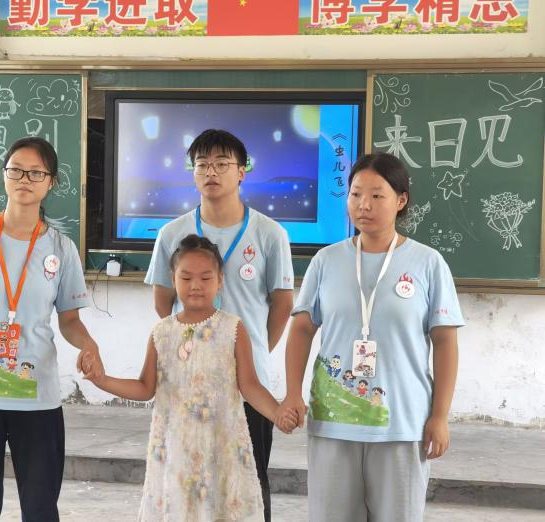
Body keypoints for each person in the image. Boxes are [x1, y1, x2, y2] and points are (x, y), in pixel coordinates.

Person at [279, 152, 463, 522]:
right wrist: (292, 392)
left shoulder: (428, 263)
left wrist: (440, 415)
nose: (364, 205)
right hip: (333, 422)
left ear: (401, 200)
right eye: (356, 194)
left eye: (377, 195)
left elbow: (445, 342)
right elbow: (301, 329)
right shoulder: (326, 260)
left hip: (403, 423)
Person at [0, 136, 103, 521]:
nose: (25, 179)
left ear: (51, 182)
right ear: (4, 175)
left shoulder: (61, 248)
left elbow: (70, 320)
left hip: (38, 400)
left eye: (36, 172)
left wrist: (88, 344)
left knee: (41, 509)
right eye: (16, 170)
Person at [86, 234, 297, 520]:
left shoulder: (233, 329)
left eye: (205, 277)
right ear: (173, 280)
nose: (195, 285)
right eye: (186, 278)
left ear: (220, 280)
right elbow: (145, 388)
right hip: (175, 449)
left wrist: (277, 413)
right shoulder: (162, 332)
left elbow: (249, 385)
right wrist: (102, 380)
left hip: (221, 445)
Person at [145, 129, 294, 521]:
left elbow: (282, 305)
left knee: (248, 483)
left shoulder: (270, 234)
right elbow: (163, 303)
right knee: (188, 482)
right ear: (193, 172)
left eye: (222, 164)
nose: (211, 172)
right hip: (189, 384)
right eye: (203, 165)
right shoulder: (171, 234)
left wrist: (249, 352)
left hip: (249, 388)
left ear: (242, 171)